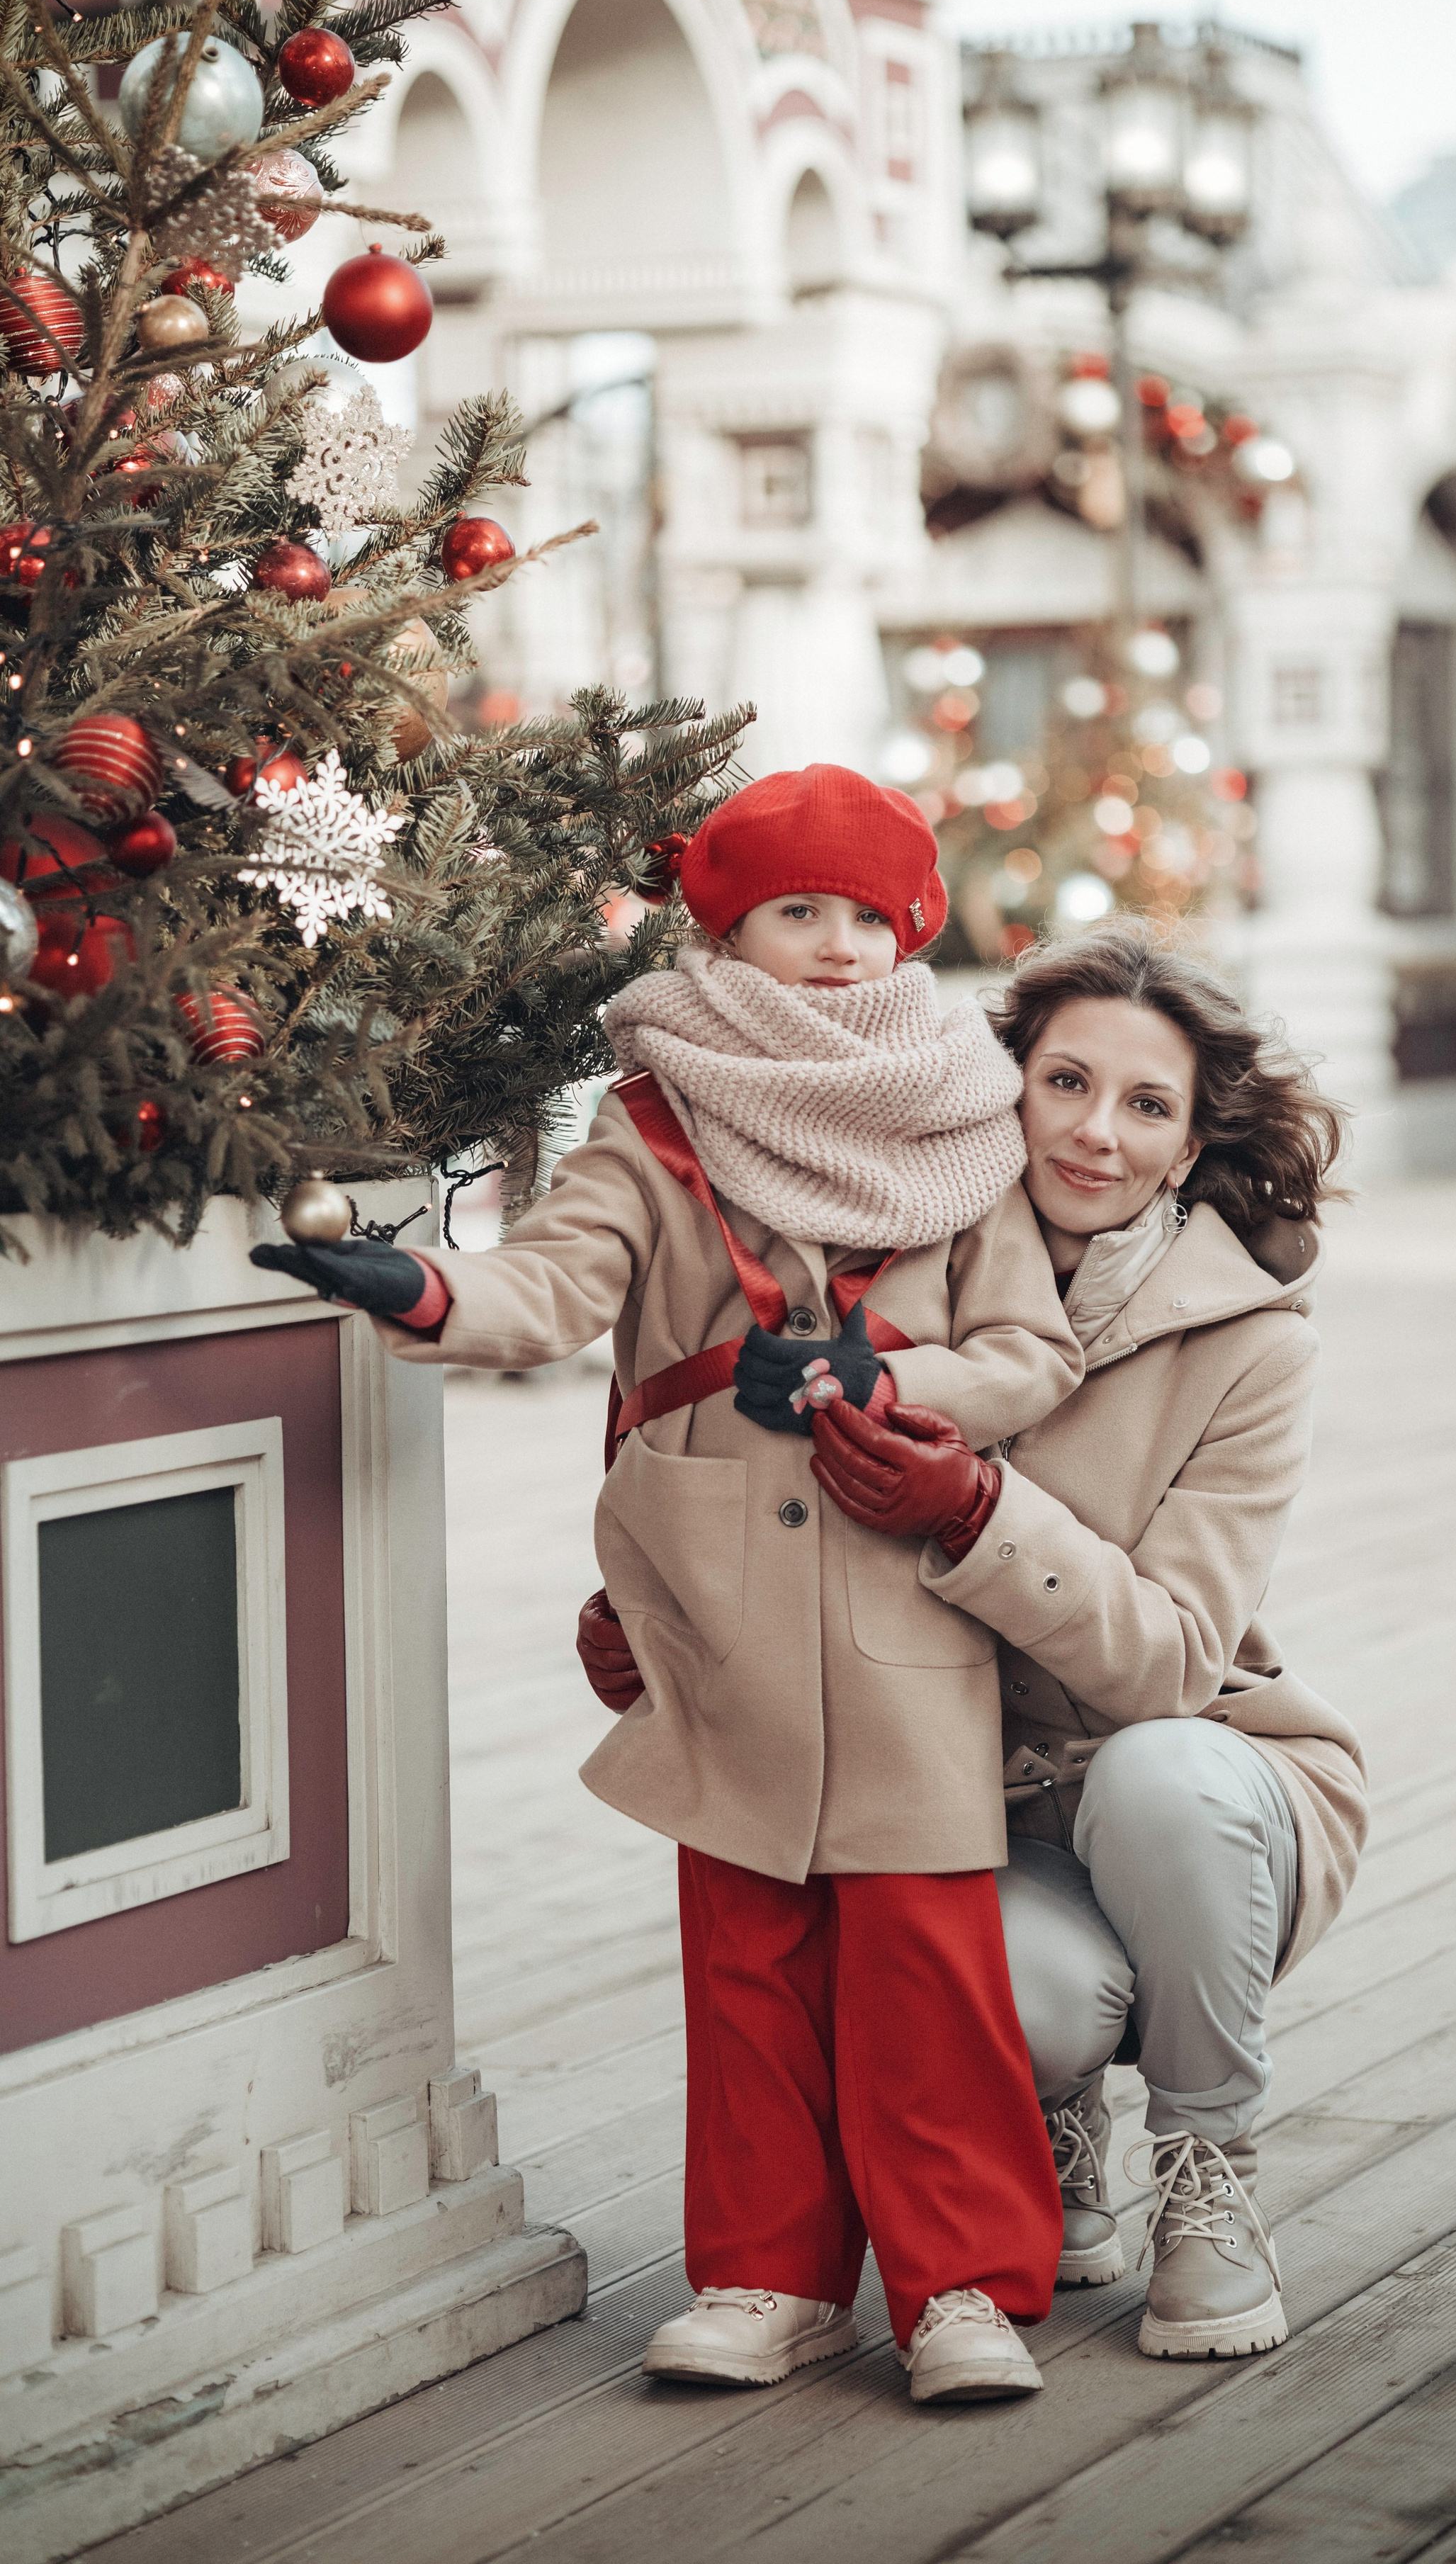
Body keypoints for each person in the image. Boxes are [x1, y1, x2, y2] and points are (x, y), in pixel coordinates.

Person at [251, 767, 1083, 2407]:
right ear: (725, 928)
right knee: (746, 1948)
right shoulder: (653, 1117)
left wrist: (894, 1387)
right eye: (795, 912)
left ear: (911, 931)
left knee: (925, 1959)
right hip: (719, 1590)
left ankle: (961, 2288)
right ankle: (769, 2278)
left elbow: (1027, 1355)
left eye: (867, 917)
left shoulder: (962, 1120)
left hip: (900, 1588)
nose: (835, 945)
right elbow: (559, 1284)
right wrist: (421, 1288)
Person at [806, 921, 1366, 2363]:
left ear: (1189, 1148)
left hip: (1211, 1781)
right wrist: (650, 1627)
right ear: (1004, 1088)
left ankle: (1208, 2167)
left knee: (1157, 1776)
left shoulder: (1256, 1345)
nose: (1094, 1134)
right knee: (998, 1980)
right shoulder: (893, 1266)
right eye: (1064, 1083)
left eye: (1145, 1105)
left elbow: (1172, 1662)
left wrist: (977, 1511)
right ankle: (1053, 2117)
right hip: (980, 1805)